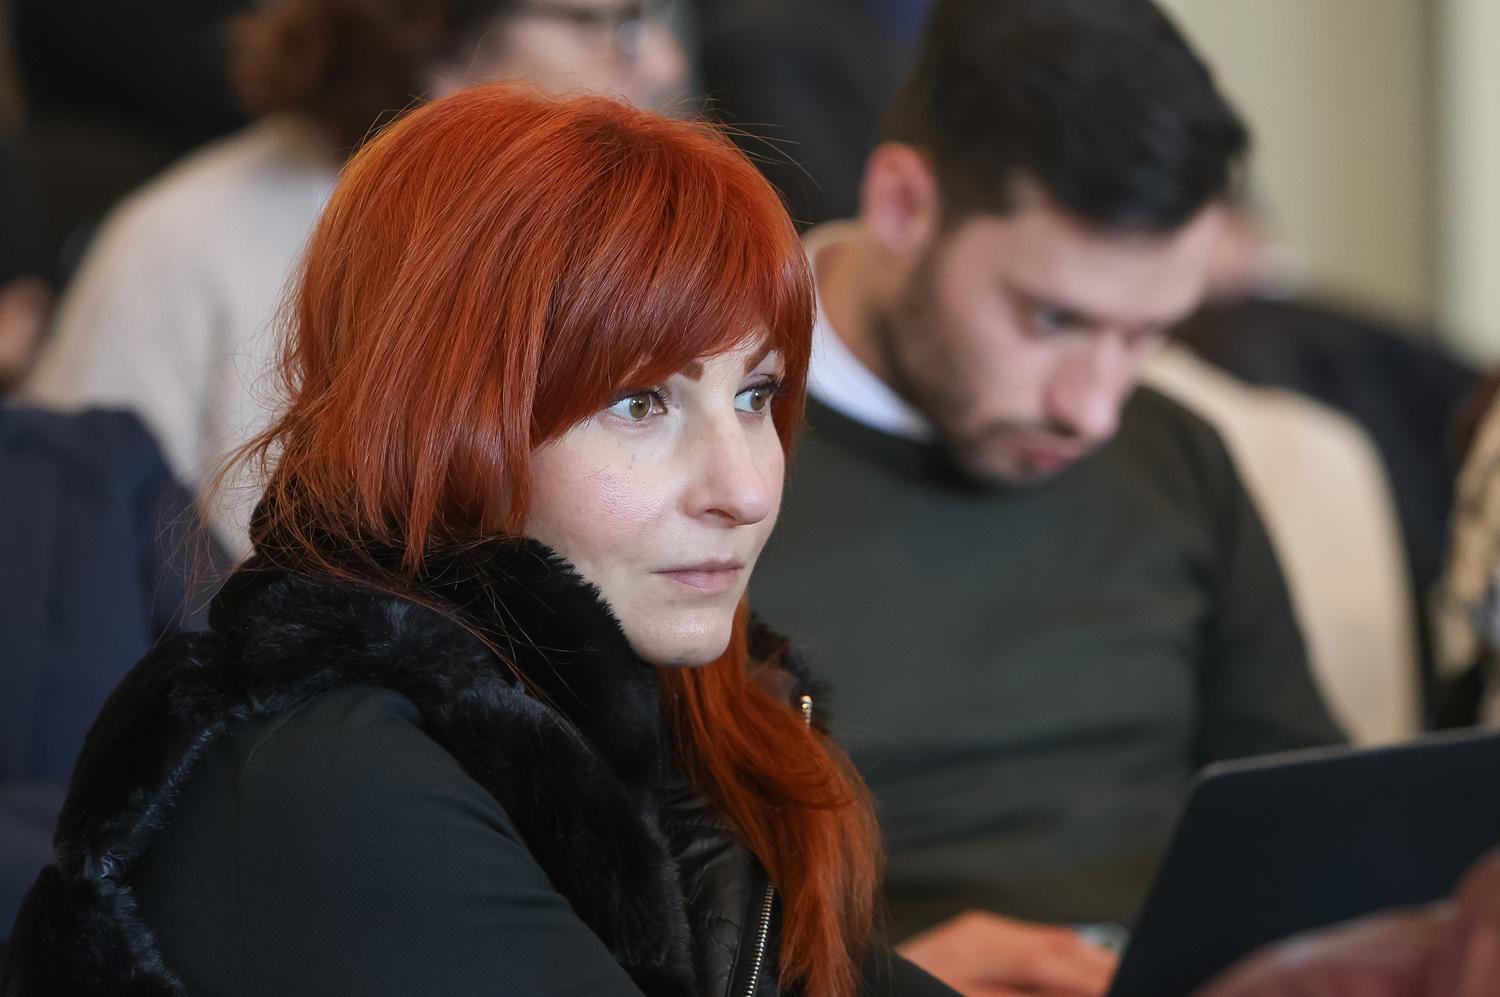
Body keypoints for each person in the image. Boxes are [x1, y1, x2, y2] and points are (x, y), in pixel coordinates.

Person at [2, 86, 955, 997]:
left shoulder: (652, 715)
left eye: (755, 395)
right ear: (442, 422)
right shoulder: (333, 778)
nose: (743, 490)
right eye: (639, 403)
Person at [747, 0, 1343, 989]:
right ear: (903, 204)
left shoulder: (1177, 454)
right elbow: (610, 906)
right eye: (1054, 319)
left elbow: (1308, 820)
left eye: (1147, 333)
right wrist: (872, 984)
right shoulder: (703, 467)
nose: (1094, 410)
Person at [24, 0, 687, 556]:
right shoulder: (181, 243)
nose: (665, 63)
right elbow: (64, 560)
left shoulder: (621, 227)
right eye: (606, 22)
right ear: (440, 39)